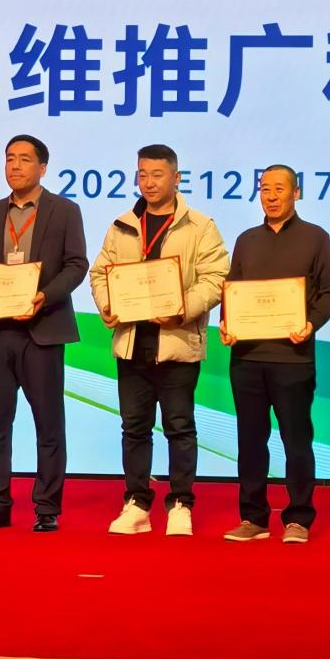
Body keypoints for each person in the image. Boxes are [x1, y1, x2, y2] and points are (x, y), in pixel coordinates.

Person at [90, 144, 228, 536]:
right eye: (142, 174)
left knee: (179, 427)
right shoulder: (122, 225)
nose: (149, 182)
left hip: (177, 342)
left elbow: (217, 277)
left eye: (157, 174)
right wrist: (107, 305)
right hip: (132, 343)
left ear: (176, 178)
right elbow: (100, 273)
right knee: (134, 428)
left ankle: (181, 503)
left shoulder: (199, 226)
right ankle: (136, 503)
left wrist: (182, 309)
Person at [0, 135, 87, 532]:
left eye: (24, 159)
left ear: (42, 168)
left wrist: (45, 296)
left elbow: (76, 265)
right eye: (9, 159)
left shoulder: (65, 210)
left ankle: (47, 507)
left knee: (49, 425)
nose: (15, 166)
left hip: (42, 330)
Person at [220, 165, 330, 545]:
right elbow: (233, 289)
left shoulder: (315, 237)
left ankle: (298, 518)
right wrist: (226, 324)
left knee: (296, 440)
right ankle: (253, 517)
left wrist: (311, 323)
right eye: (264, 189)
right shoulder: (246, 240)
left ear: (296, 193)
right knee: (250, 441)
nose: (271, 196)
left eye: (279, 189)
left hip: (293, 358)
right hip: (247, 358)